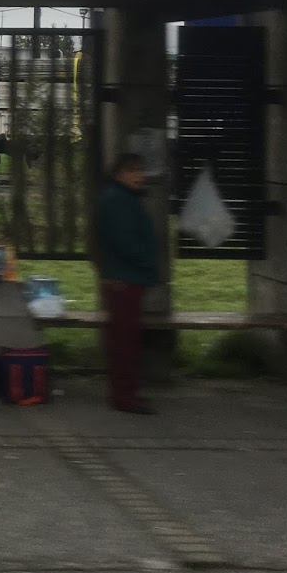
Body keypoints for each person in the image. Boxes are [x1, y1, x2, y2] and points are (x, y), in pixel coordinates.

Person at [95, 152, 160, 415]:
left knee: (127, 339)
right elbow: (124, 241)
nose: (139, 176)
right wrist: (147, 261)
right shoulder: (117, 200)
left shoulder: (123, 198)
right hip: (125, 278)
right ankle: (124, 396)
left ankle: (127, 392)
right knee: (125, 341)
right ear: (119, 174)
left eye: (141, 170)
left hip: (127, 276)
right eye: (132, 171)